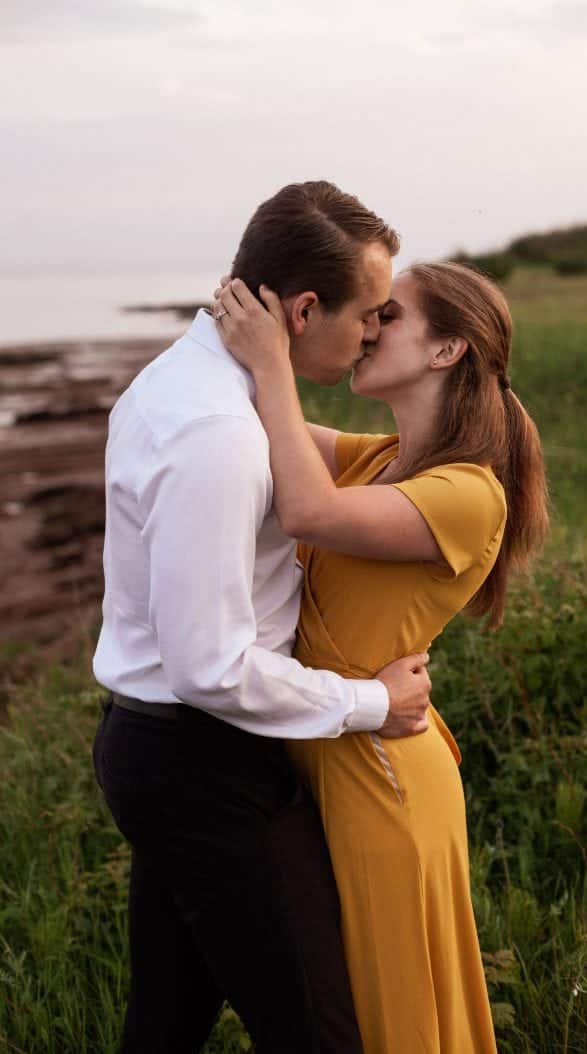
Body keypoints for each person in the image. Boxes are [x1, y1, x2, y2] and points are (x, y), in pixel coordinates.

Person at [91, 181, 434, 1054]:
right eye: (367, 314)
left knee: (166, 1022)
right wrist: (369, 703)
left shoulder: (191, 382)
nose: (372, 333)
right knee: (318, 1030)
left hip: (169, 747)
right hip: (202, 759)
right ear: (305, 307)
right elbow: (209, 664)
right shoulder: (214, 430)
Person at [213, 257, 550, 1053]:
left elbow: (303, 508)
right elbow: (265, 429)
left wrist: (267, 358)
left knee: (387, 1009)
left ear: (446, 351)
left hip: (382, 779)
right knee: (333, 1009)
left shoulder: (468, 493)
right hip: (327, 753)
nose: (365, 326)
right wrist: (257, 322)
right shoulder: (377, 459)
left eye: (386, 314)